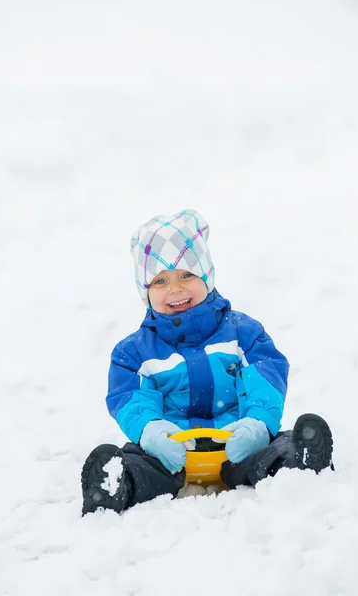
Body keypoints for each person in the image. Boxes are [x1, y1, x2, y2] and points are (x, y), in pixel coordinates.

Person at [81, 209, 333, 515]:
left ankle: (299, 460)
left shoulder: (243, 333)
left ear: (207, 277)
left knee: (273, 449)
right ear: (146, 291)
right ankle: (117, 485)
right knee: (138, 461)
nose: (174, 288)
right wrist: (151, 431)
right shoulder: (133, 353)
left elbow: (265, 376)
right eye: (160, 281)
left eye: (187, 275)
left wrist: (257, 424)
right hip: (171, 452)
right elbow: (130, 397)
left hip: (238, 443)